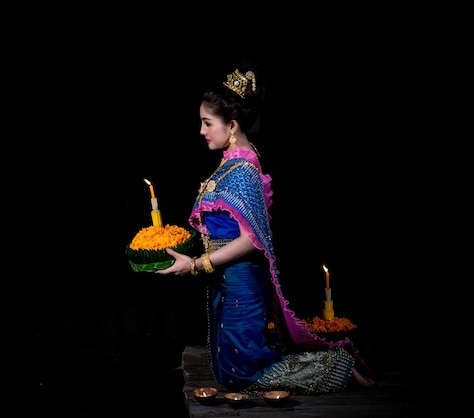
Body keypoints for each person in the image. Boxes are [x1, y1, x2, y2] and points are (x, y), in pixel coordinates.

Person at [156, 64, 375, 394]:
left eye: (207, 123)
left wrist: (198, 264)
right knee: (229, 370)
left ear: (231, 125)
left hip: (241, 279)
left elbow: (251, 240)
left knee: (242, 372)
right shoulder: (232, 160)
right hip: (228, 277)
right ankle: (331, 366)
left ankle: (337, 366)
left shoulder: (243, 168)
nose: (201, 131)